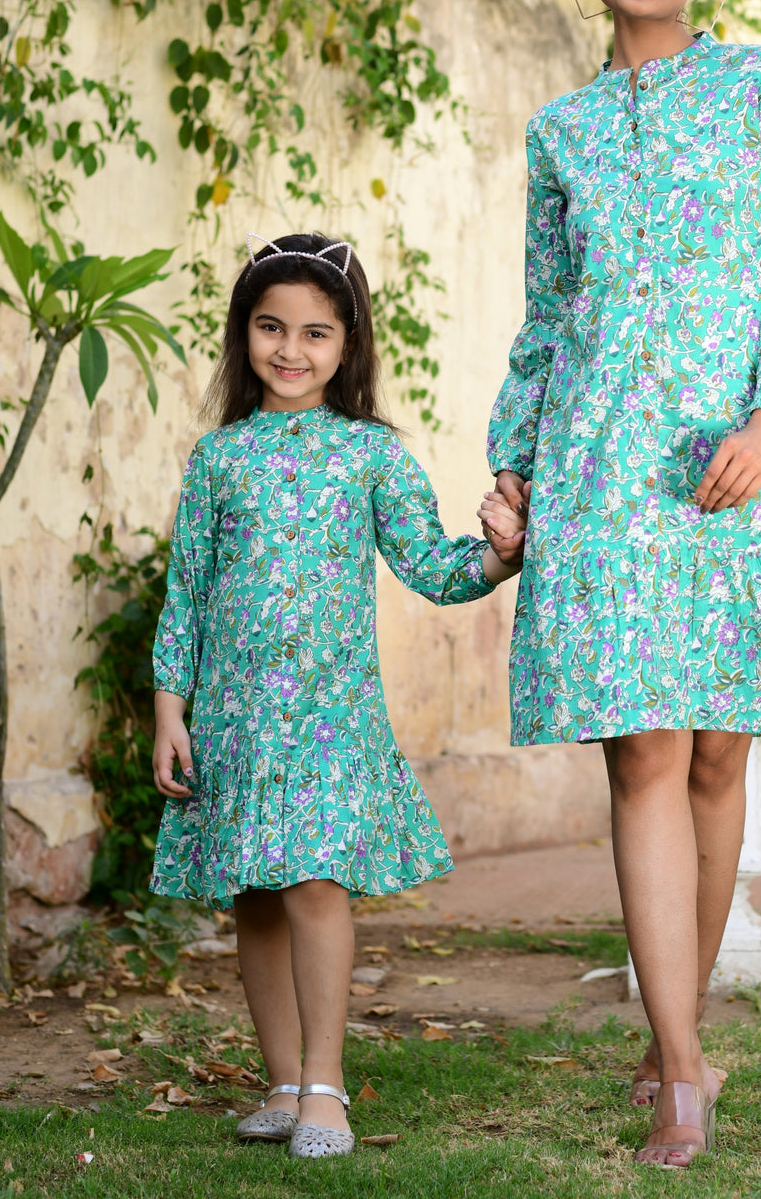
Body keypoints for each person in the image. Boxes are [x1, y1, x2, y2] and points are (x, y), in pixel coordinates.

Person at [487, 0, 761, 1168]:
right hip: (604, 466)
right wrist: (515, 463)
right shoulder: (562, 130)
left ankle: (677, 1034)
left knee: (721, 755)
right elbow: (548, 314)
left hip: (738, 462)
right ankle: (684, 1071)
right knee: (643, 753)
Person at [149, 233, 525, 1161]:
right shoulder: (218, 460)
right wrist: (170, 707)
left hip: (328, 715)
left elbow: (434, 571)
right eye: (271, 327)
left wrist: (497, 554)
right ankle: (280, 1081)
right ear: (243, 334)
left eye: (316, 334)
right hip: (235, 718)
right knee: (257, 897)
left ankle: (326, 1084)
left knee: (316, 883)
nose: (291, 350)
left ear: (348, 346)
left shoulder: (370, 457)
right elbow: (188, 587)